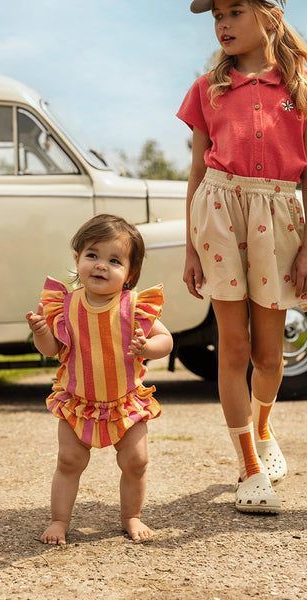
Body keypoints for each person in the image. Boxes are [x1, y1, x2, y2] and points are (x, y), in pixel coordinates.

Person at [177, 0, 307, 513]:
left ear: (269, 16)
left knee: (269, 356)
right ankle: (248, 467)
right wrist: (190, 245)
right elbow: (194, 173)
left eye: (235, 12)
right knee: (232, 348)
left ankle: (264, 424)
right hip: (218, 211)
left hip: (279, 215)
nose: (223, 24)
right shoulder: (207, 88)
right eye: (217, 16)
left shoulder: (300, 87)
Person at [26, 214, 173, 544]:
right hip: (79, 402)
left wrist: (148, 347)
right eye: (92, 255)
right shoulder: (66, 306)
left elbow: (167, 340)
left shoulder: (134, 307)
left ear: (129, 274)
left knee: (136, 461)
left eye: (114, 260)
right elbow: (52, 349)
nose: (101, 265)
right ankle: (59, 520)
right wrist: (41, 332)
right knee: (69, 460)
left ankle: (130, 515)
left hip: (125, 402)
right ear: (77, 259)